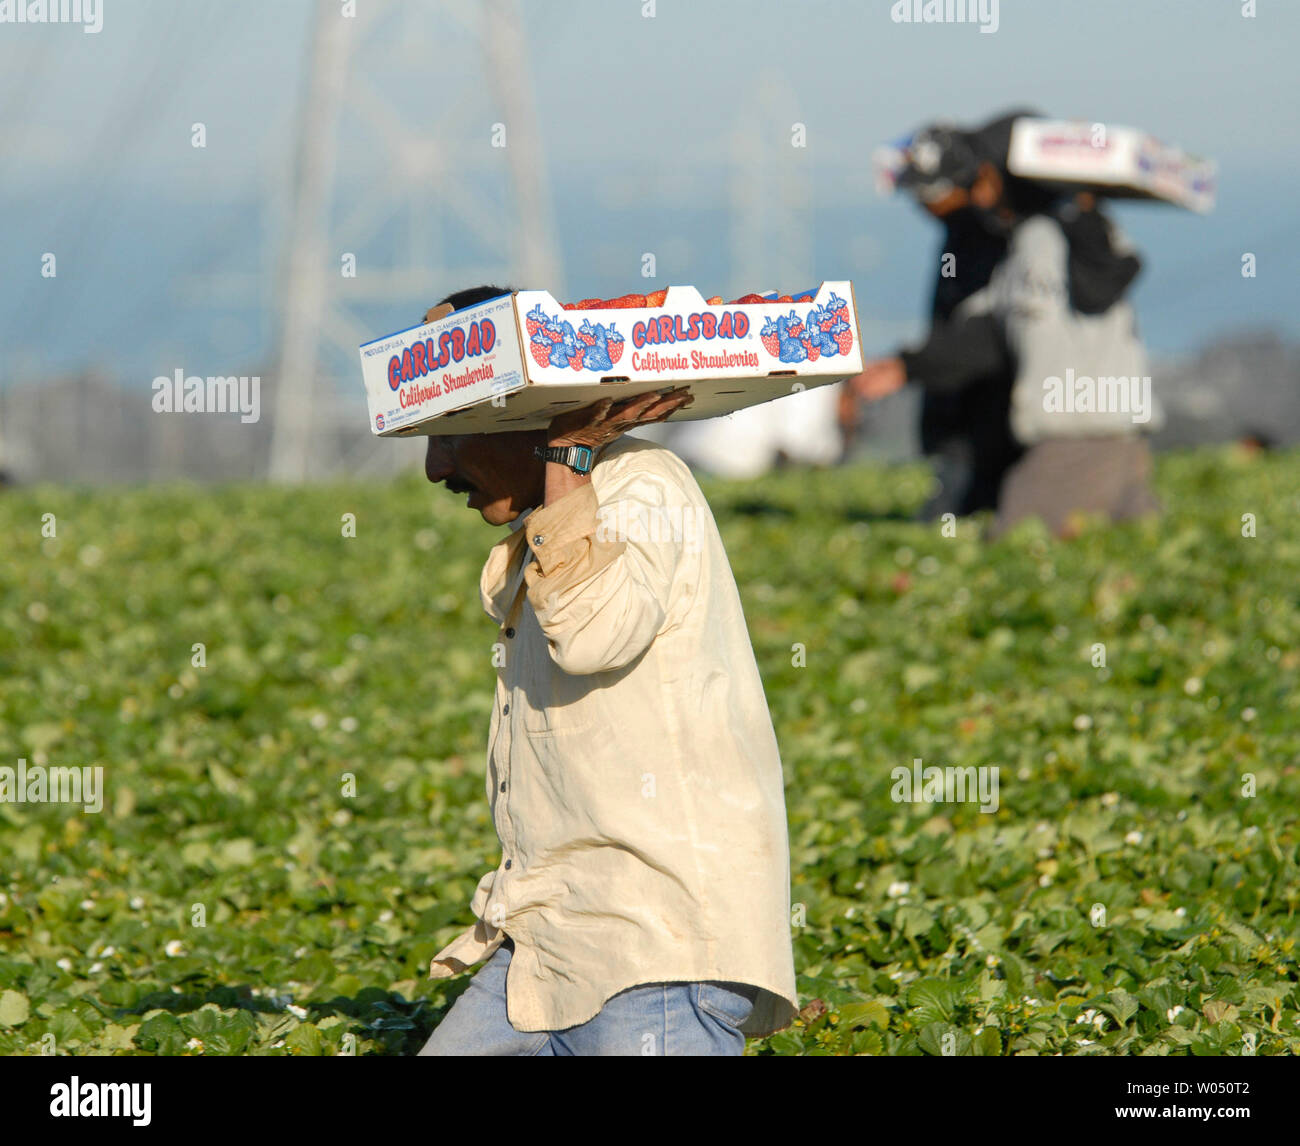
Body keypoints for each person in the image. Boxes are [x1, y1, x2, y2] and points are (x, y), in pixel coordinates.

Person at [414, 285, 799, 1056]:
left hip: (652, 945)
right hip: (553, 936)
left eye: (451, 435)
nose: (435, 468)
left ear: (530, 420)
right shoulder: (555, 520)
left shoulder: (641, 488)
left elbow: (594, 635)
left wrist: (567, 458)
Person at [850, 113, 1163, 537]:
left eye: (984, 179)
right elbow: (997, 331)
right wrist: (911, 365)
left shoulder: (1048, 239)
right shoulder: (1071, 237)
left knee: (1015, 542)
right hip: (1112, 440)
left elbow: (1004, 327)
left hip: (1074, 442)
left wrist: (909, 366)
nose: (978, 197)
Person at [843, 119, 1024, 518]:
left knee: (959, 515)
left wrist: (908, 366)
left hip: (985, 425)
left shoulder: (987, 237)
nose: (921, 206)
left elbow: (984, 335)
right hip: (963, 419)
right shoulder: (966, 233)